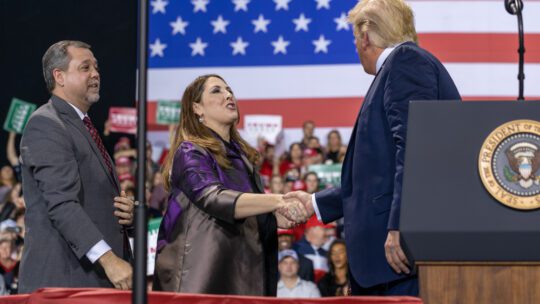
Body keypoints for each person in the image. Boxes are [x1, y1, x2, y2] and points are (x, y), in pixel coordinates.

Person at [285, 0, 461, 296]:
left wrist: (402, 227)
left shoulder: (405, 61)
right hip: (387, 262)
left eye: (355, 37)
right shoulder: (399, 68)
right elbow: (378, 175)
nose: (355, 46)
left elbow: (417, 148)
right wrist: (314, 203)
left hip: (398, 257)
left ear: (365, 36)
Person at [152, 74, 308, 296]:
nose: (228, 95)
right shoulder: (190, 151)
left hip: (243, 271)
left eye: (229, 90)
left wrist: (272, 217)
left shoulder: (243, 156)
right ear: (197, 108)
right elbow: (213, 197)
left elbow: (245, 208)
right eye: (216, 91)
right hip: (203, 275)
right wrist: (277, 201)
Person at [18, 40, 135, 293]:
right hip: (64, 281)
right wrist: (110, 260)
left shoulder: (83, 126)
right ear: (59, 76)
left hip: (91, 282)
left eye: (96, 67)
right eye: (85, 67)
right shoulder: (46, 124)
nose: (95, 74)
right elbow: (61, 204)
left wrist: (126, 212)